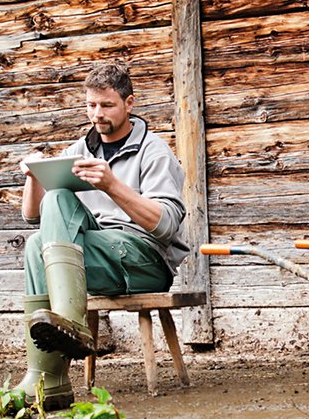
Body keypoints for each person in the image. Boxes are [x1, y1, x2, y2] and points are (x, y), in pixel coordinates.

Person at [14, 63, 188, 410]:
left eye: (107, 105)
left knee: (45, 236)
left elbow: (166, 224)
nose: (97, 114)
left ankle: (70, 322)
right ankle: (48, 380)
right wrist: (33, 176)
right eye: (91, 105)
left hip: (144, 258)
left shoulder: (153, 151)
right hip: (96, 256)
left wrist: (111, 185)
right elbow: (33, 216)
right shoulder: (80, 149)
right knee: (37, 239)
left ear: (129, 103)